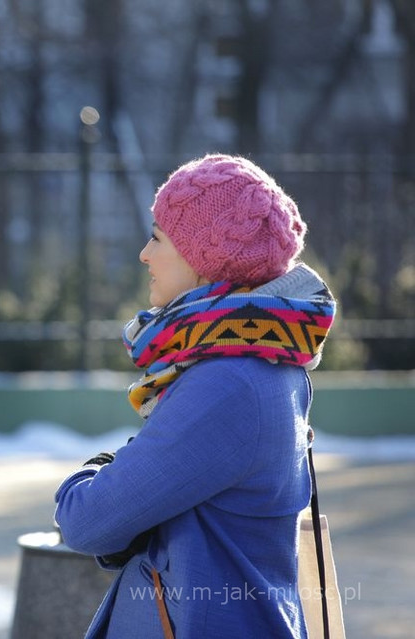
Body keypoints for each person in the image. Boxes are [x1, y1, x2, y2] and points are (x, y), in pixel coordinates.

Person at [54, 154, 337, 638]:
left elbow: (85, 522)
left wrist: (95, 468)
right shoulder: (265, 362)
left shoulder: (229, 383)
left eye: (158, 238)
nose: (145, 254)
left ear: (206, 260)